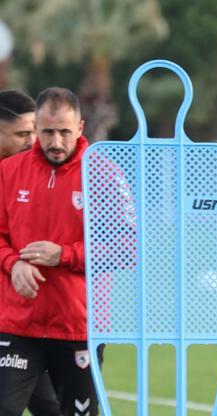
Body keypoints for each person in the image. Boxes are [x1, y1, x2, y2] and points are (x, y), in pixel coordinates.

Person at [0, 87, 99, 416]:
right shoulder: (9, 171)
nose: (55, 142)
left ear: (81, 128)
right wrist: (13, 263)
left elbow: (124, 248)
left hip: (77, 327)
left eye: (64, 132)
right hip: (18, 326)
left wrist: (65, 255)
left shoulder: (103, 175)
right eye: (46, 133)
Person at [0, 89, 63, 416]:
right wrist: (13, 263)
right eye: (22, 134)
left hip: (26, 320)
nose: (31, 141)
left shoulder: (35, 173)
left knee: (51, 406)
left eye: (33, 132)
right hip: (13, 321)